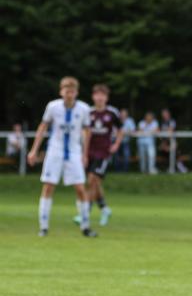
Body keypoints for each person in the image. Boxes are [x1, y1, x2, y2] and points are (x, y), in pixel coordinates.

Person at [25, 76, 97, 237]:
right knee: (49, 186)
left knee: (80, 188)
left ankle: (85, 226)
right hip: (55, 151)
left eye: (72, 91)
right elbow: (43, 127)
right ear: (61, 92)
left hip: (74, 152)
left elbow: (87, 132)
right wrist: (34, 150)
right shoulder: (53, 107)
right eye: (66, 91)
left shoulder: (84, 109)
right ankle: (43, 227)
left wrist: (85, 154)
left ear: (76, 92)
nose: (69, 94)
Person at [75, 84, 123, 227]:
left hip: (103, 152)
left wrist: (116, 144)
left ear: (106, 98)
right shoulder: (88, 112)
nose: (100, 97)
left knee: (92, 180)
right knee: (95, 182)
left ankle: (85, 212)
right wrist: (83, 152)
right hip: (89, 152)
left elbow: (121, 129)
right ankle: (104, 208)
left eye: (103, 95)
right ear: (93, 96)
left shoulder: (112, 113)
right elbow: (84, 132)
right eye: (97, 94)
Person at [158, 108, 176, 173]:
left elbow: (170, 131)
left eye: (165, 114)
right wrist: (162, 142)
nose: (164, 115)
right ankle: (166, 169)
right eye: (163, 114)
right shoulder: (162, 122)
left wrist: (165, 143)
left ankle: (175, 169)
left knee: (173, 155)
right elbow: (159, 132)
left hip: (170, 141)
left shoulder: (171, 121)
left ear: (168, 114)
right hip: (164, 142)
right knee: (164, 155)